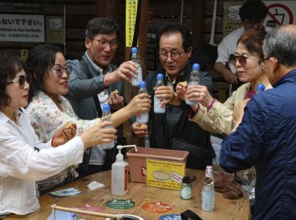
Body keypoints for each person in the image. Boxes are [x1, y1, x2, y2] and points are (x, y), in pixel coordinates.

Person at [0, 50, 117, 218]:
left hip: (19, 209)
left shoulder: (18, 114)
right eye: (20, 81)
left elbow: (33, 149)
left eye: (26, 79)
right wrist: (82, 141)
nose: (27, 86)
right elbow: (32, 166)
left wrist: (52, 143)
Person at [26, 44, 151, 193]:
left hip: (66, 181)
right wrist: (129, 110)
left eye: (66, 69)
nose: (66, 75)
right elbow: (82, 129)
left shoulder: (61, 100)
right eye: (58, 70)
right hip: (47, 187)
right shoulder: (39, 107)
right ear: (36, 74)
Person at [177, 27, 271, 208]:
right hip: (238, 181)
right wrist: (195, 105)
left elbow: (242, 129)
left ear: (264, 61)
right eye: (235, 58)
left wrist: (211, 102)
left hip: (261, 182)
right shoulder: (243, 90)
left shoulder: (272, 95)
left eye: (244, 58)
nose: (237, 64)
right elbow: (219, 124)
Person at [220, 24, 296, 219]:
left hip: (279, 207)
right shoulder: (247, 92)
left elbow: (231, 158)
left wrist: (238, 122)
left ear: (273, 62)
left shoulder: (265, 102)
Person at [132, 23, 215, 170]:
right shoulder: (152, 78)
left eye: (175, 53)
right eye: (164, 53)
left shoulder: (202, 79)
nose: (169, 59)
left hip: (192, 158)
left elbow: (206, 111)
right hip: (159, 155)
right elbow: (142, 108)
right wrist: (136, 123)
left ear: (188, 52)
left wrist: (177, 99)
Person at [65, 17, 138, 177]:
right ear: (87, 42)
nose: (108, 48)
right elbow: (74, 88)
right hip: (83, 160)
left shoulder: (114, 71)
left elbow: (122, 106)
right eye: (102, 42)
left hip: (110, 156)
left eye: (112, 43)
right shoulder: (74, 66)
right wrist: (111, 78)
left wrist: (131, 121)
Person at [214, 0, 267, 87]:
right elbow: (218, 63)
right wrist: (225, 72)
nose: (255, 26)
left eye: (259, 22)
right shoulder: (230, 39)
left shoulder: (272, 36)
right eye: (250, 23)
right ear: (242, 21)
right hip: (240, 85)